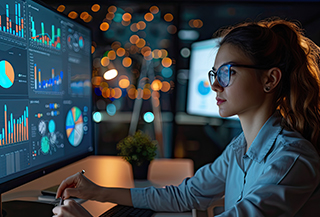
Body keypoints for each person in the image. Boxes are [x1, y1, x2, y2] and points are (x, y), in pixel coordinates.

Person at [52, 17, 320, 217]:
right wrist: (98, 192)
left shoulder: (291, 160)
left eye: (228, 72)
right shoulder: (241, 148)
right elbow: (187, 194)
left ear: (270, 79)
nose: (216, 85)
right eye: (215, 74)